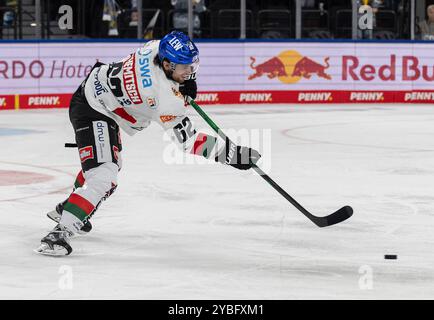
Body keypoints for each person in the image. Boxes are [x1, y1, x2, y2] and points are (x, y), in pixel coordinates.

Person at [35, 31, 261, 256]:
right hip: (93, 108)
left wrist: (181, 84)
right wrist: (230, 155)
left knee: (110, 167)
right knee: (103, 175)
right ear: (167, 65)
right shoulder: (164, 98)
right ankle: (59, 233)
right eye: (185, 68)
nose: (190, 72)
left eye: (192, 66)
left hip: (100, 97)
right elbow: (188, 141)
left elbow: (166, 75)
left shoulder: (154, 47)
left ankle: (69, 208)